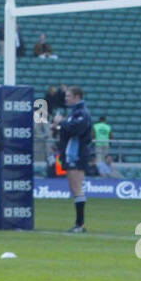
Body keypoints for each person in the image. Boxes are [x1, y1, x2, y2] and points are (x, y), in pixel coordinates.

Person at [54, 85, 92, 232]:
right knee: (74, 188)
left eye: (68, 96)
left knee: (77, 187)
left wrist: (61, 122)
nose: (66, 98)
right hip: (71, 153)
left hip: (75, 154)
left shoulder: (82, 113)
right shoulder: (74, 112)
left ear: (77, 97)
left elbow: (76, 128)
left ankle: (80, 224)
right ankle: (79, 223)